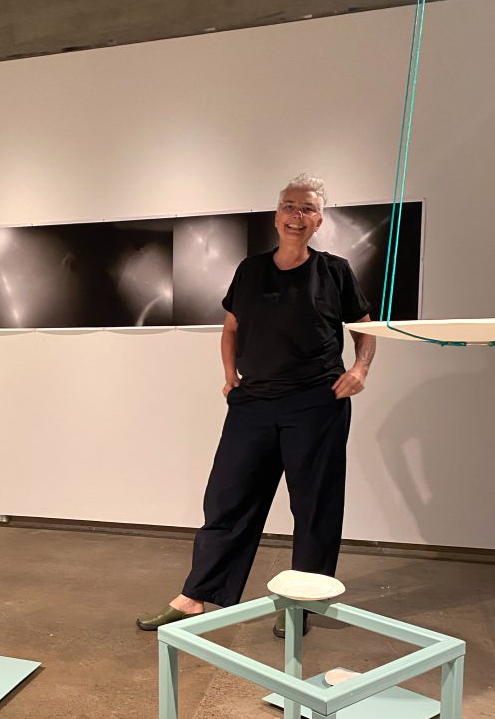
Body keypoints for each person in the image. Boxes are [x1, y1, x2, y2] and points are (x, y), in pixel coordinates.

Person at [137, 174, 376, 637]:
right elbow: (231, 328)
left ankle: (302, 604)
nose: (296, 216)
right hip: (254, 405)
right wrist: (230, 375)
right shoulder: (250, 270)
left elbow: (365, 327)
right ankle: (197, 596)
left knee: (314, 507)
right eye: (289, 206)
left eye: (307, 209)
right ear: (276, 215)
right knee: (227, 499)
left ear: (319, 220)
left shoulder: (335, 271)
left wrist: (361, 368)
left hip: (316, 404)